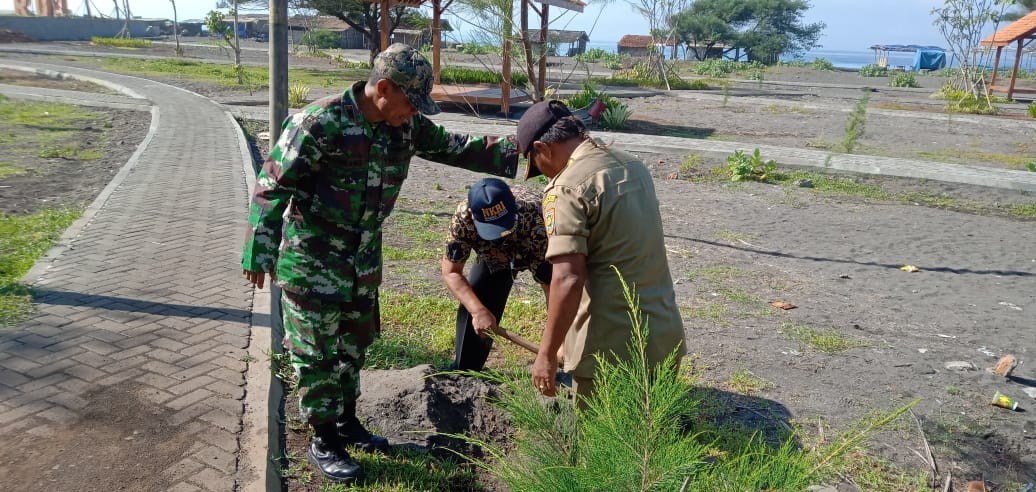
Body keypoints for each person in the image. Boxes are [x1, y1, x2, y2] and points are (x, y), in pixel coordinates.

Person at [241, 44, 519, 483]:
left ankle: (346, 423)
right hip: (313, 259)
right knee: (316, 354)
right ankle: (323, 438)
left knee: (353, 346)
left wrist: (530, 153)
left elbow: (458, 147)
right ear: (384, 88)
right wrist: (259, 248)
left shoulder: (403, 127)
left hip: (363, 260)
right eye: (410, 102)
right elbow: (271, 187)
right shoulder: (319, 123)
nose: (414, 114)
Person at [515, 100, 686, 408]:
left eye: (537, 165)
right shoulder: (632, 164)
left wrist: (545, 354)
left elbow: (567, 278)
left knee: (601, 447)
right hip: (663, 335)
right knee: (648, 442)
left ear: (543, 147)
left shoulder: (566, 188)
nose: (543, 176)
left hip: (609, 349)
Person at [441, 178, 551, 371]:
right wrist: (478, 311)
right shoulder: (463, 217)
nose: (501, 235)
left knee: (574, 307)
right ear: (474, 217)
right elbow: (451, 272)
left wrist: (555, 345)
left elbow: (553, 290)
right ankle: (465, 371)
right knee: (479, 307)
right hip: (493, 259)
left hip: (534, 244)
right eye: (493, 229)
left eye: (504, 226)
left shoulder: (538, 219)